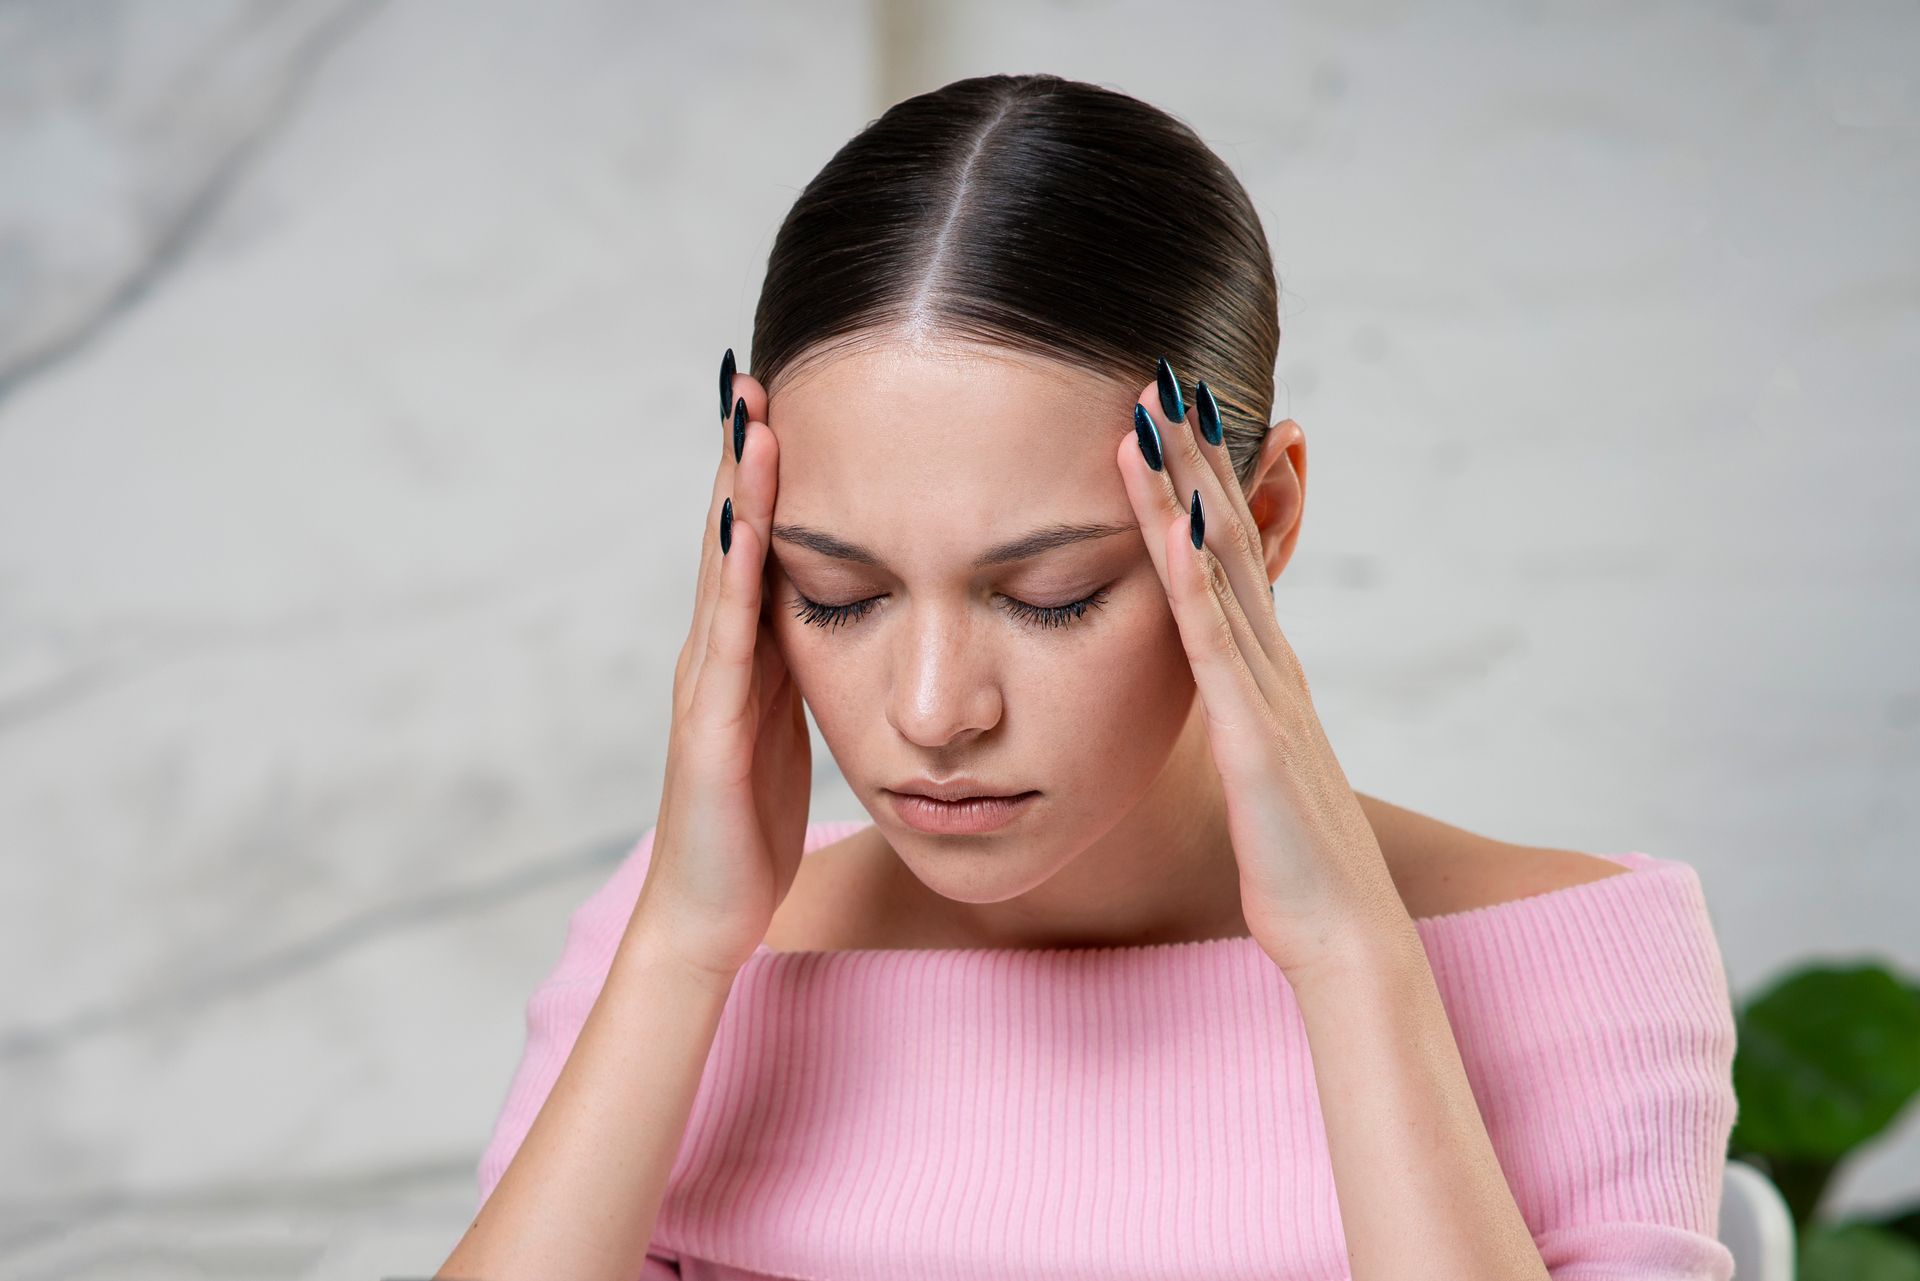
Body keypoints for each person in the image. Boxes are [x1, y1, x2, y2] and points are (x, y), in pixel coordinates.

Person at [438, 73, 1738, 1281]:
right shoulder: (680, 943)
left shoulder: (1583, 955)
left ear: (1264, 516)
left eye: (1051, 595)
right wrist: (679, 950)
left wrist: (1352, 960)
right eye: (836, 594)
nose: (934, 710)